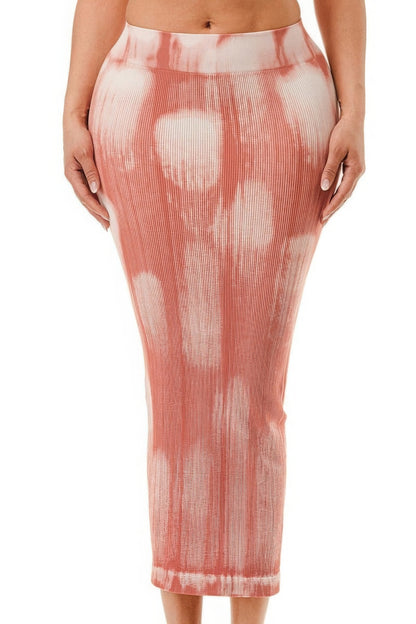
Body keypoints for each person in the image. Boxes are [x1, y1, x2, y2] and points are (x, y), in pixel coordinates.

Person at [62, 1, 366, 623]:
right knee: (174, 388)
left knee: (256, 389)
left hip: (279, 99)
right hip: (145, 99)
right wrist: (73, 105)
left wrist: (355, 105)